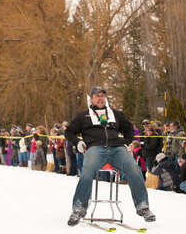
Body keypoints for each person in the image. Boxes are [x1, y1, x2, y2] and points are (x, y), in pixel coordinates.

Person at [64, 87, 155, 226]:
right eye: (97, 96)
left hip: (117, 148)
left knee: (134, 169)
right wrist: (78, 142)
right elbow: (69, 132)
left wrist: (126, 141)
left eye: (103, 96)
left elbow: (129, 128)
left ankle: (143, 206)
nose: (100, 98)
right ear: (92, 98)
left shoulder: (115, 114)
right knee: (87, 172)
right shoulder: (83, 116)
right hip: (95, 148)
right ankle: (78, 208)